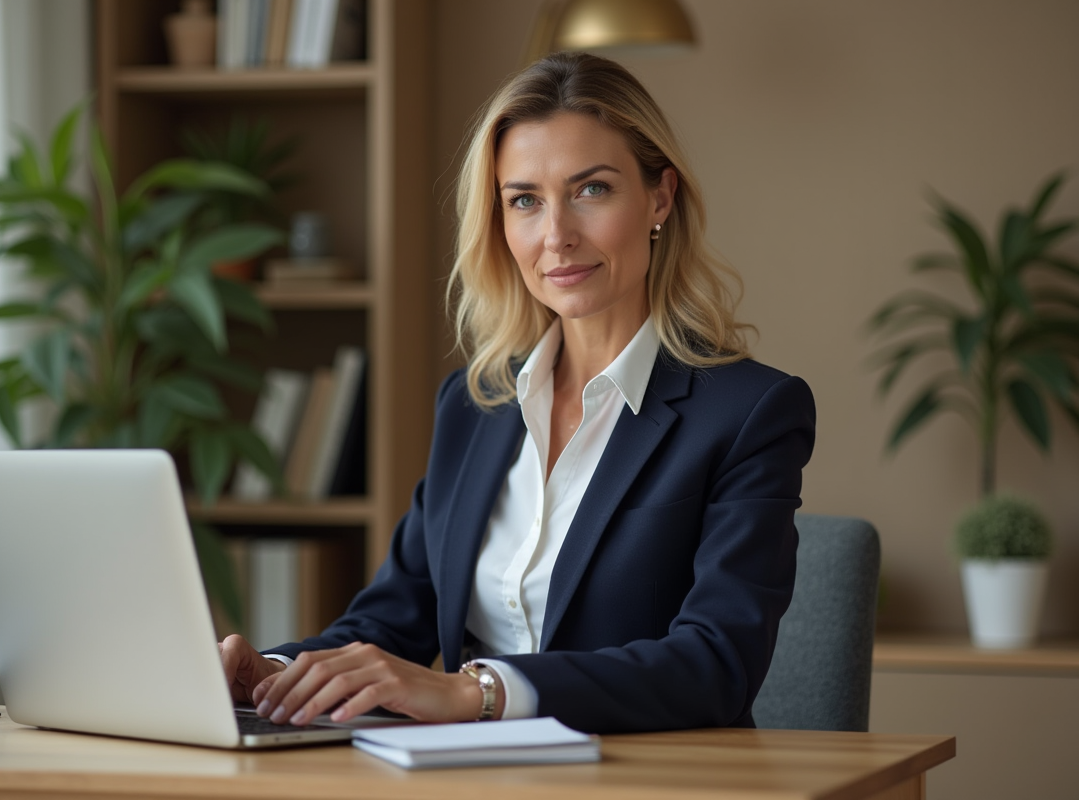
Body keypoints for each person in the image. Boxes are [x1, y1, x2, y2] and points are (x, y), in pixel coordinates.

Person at [220, 51, 815, 734]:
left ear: (660, 197)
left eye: (591, 190)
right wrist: (269, 675)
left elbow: (716, 664)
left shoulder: (749, 413)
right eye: (524, 200)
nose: (556, 236)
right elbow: (392, 620)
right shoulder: (474, 405)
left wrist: (480, 691)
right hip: (472, 778)